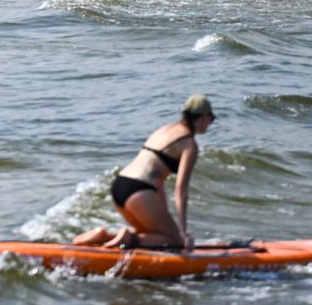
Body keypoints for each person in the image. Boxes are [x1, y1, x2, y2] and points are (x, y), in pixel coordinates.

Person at [74, 95, 216, 251]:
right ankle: (128, 238)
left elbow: (158, 179)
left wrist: (163, 213)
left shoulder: (164, 130)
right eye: (212, 118)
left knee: (151, 234)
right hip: (139, 190)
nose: (210, 124)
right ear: (203, 117)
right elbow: (181, 190)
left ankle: (104, 235)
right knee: (175, 241)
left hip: (120, 185)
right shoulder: (189, 144)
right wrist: (182, 233)